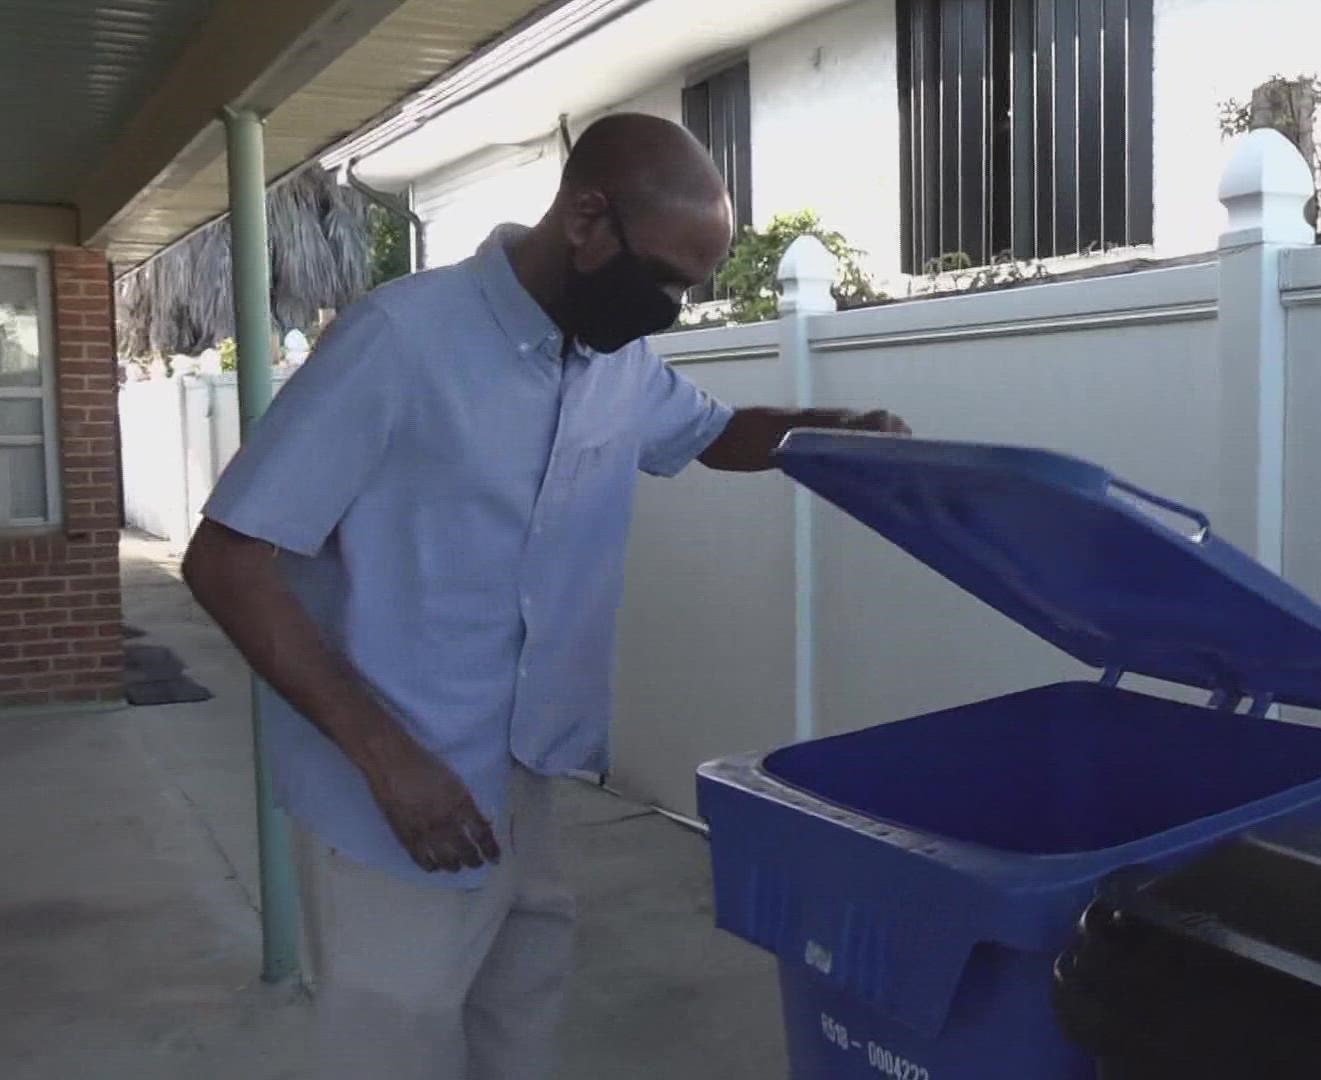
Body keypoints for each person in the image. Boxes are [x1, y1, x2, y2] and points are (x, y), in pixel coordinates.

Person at [182, 113, 908, 1079]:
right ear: (587, 218)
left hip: (525, 774)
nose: (672, 309)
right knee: (393, 1047)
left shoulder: (614, 359)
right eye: (663, 280)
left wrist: (832, 432)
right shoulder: (401, 341)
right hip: (390, 790)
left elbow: (712, 432)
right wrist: (393, 764)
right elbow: (227, 562)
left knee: (517, 1033)